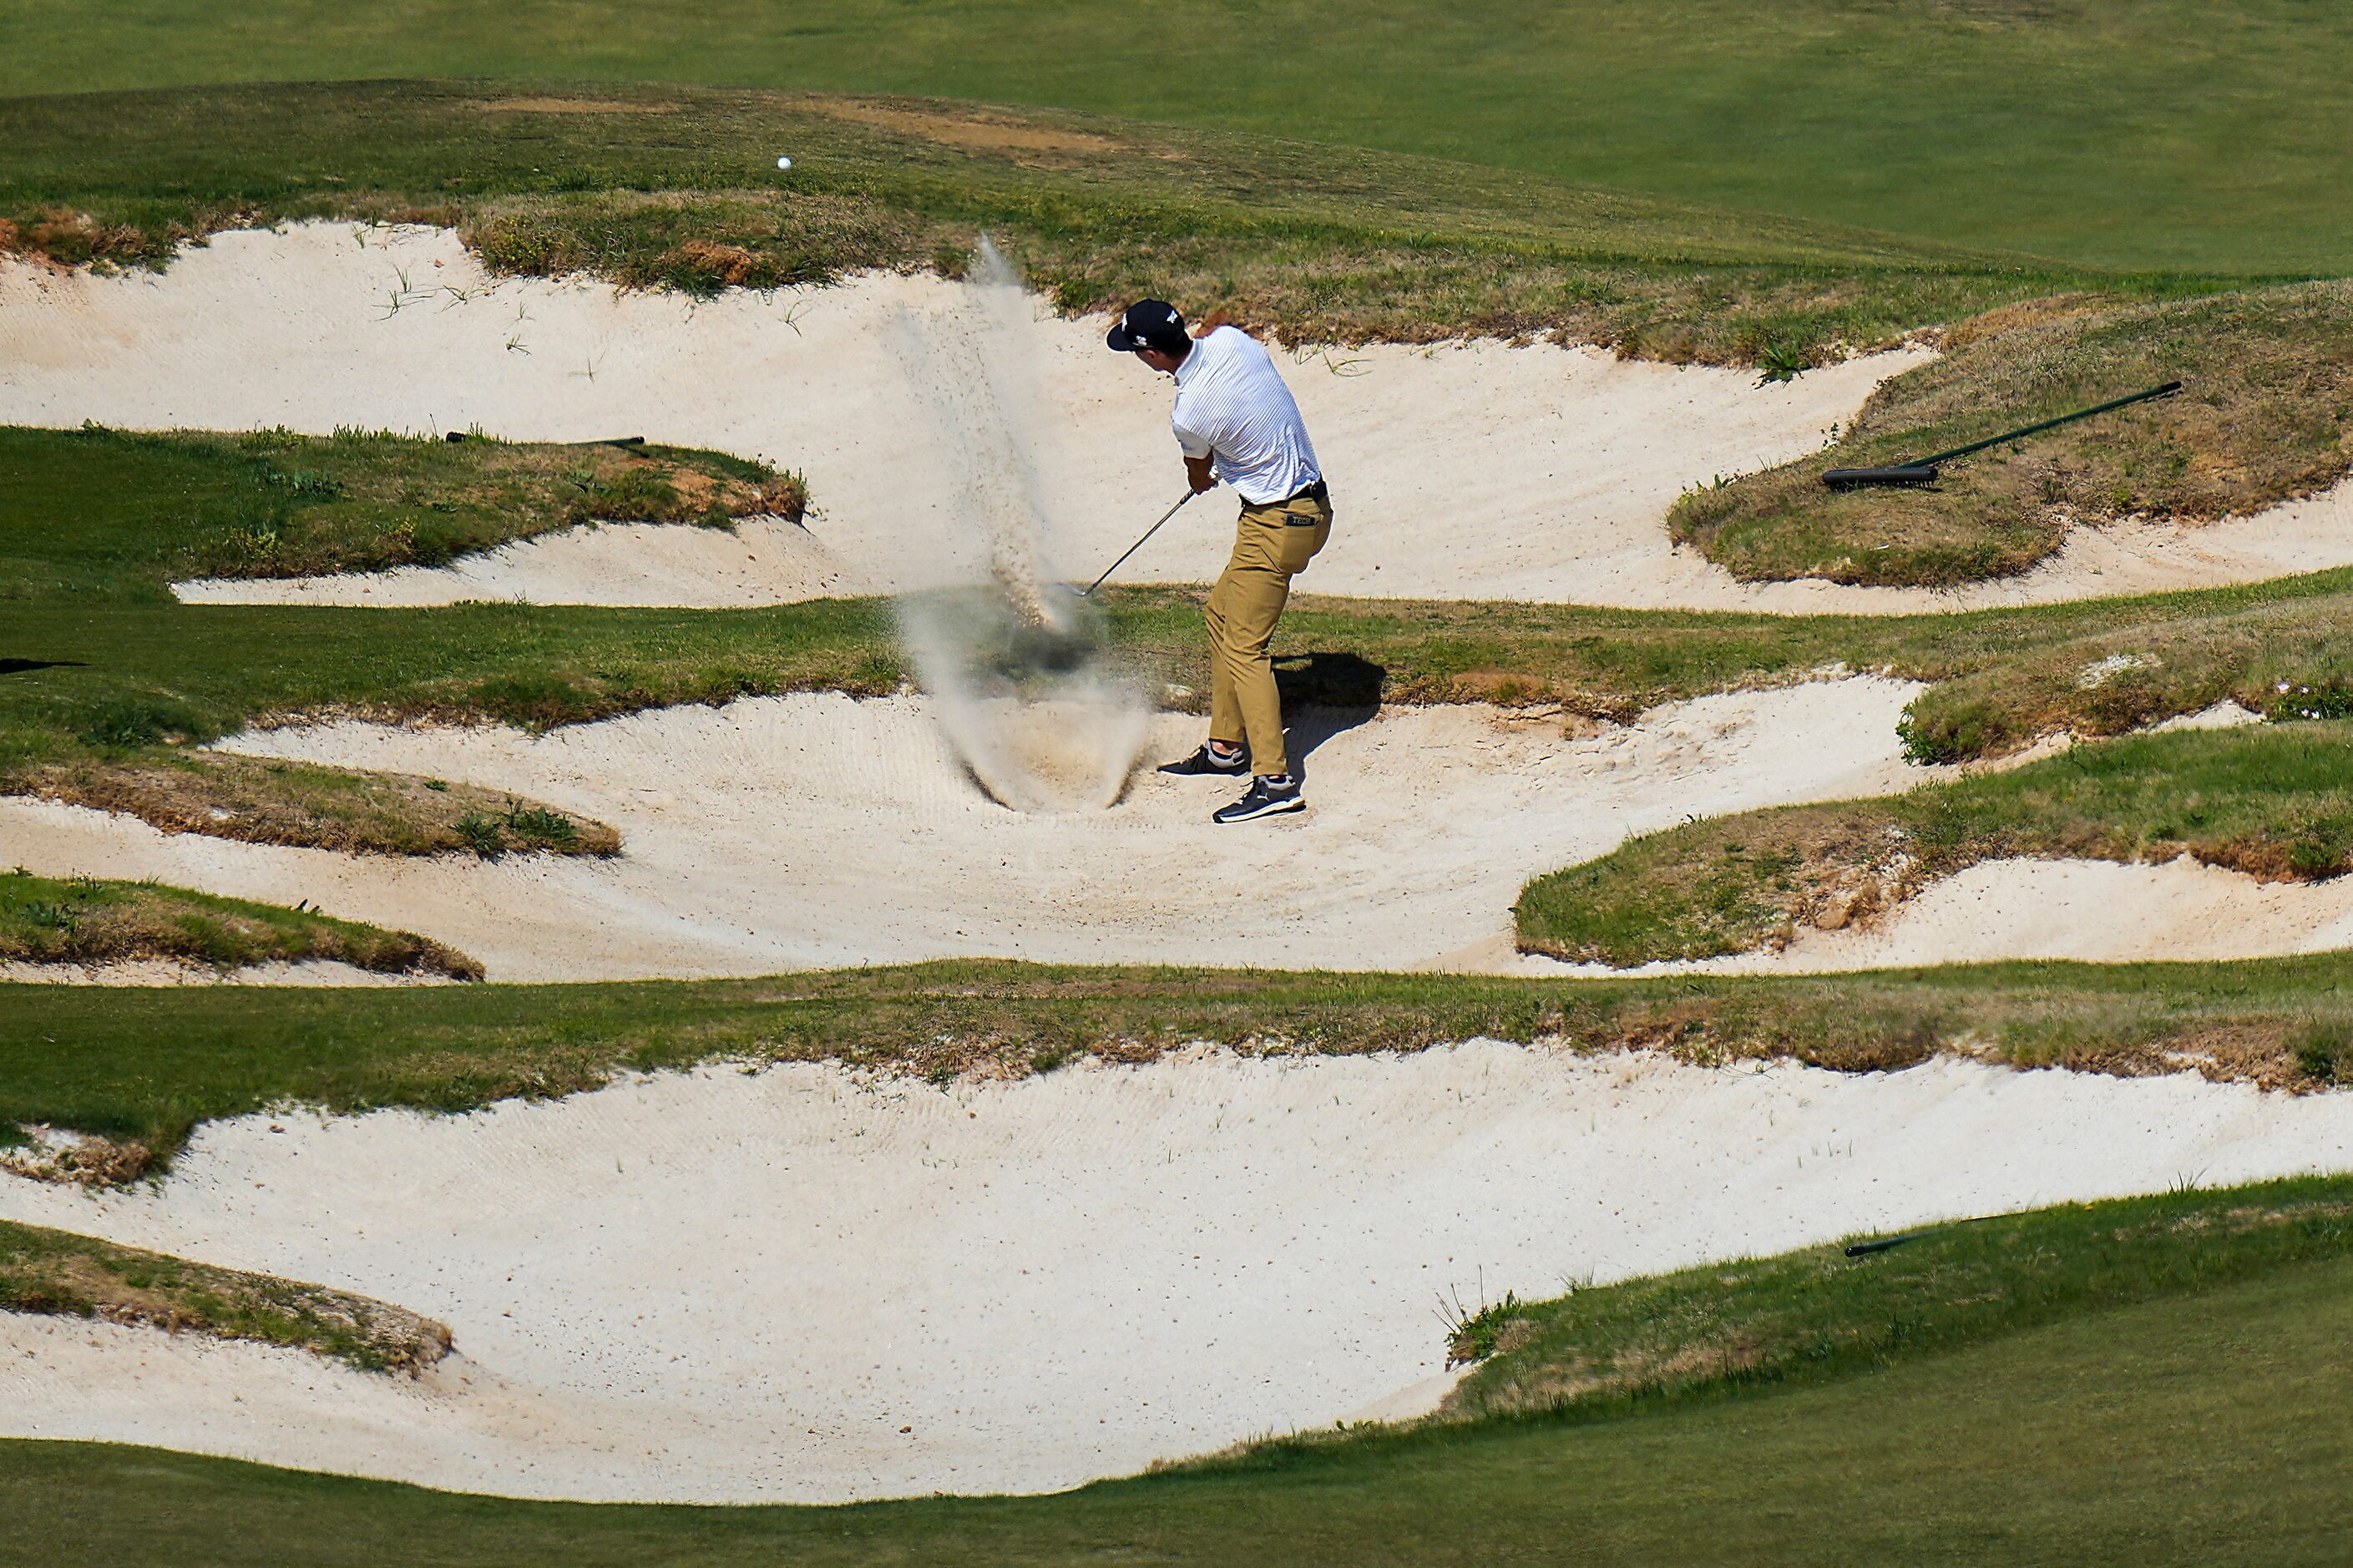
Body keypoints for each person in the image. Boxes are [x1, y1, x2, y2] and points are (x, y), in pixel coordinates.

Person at [1106, 299, 1332, 824]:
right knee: (1221, 616)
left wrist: (1203, 478)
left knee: (1247, 649)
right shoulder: (1231, 341)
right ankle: (1225, 748)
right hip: (1305, 509)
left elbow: (1197, 472)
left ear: (1155, 356)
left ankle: (1275, 782)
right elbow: (1222, 331)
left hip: (1278, 524)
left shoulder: (1188, 412)